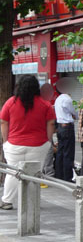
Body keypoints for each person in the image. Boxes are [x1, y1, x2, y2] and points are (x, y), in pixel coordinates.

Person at [0, 76, 56, 209]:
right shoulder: (45, 104)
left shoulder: (11, 102)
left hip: (14, 144)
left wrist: (6, 141)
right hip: (38, 145)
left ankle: (7, 201)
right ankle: (32, 203)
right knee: (34, 174)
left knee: (12, 172)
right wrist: (48, 141)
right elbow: (51, 123)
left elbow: (3, 122)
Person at [54, 82, 78, 182]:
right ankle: (67, 177)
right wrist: (75, 116)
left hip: (60, 126)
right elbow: (75, 112)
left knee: (60, 152)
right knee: (68, 153)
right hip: (67, 127)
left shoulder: (58, 99)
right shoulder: (67, 99)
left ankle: (59, 175)